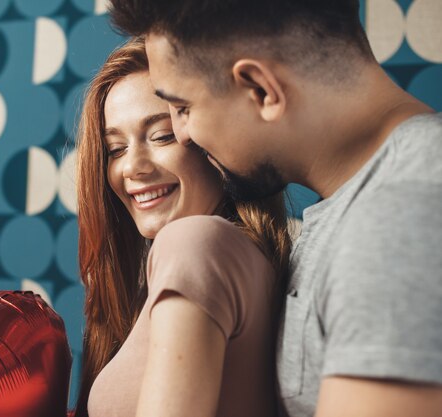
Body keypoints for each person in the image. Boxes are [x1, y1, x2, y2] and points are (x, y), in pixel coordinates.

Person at [107, 1, 442, 417]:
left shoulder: (399, 219)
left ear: (261, 89)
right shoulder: (363, 206)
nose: (183, 136)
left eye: (183, 108)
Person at [74, 37, 291, 417]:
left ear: (207, 139)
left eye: (161, 136)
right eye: (115, 150)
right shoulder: (241, 256)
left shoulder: (193, 243)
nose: (133, 167)